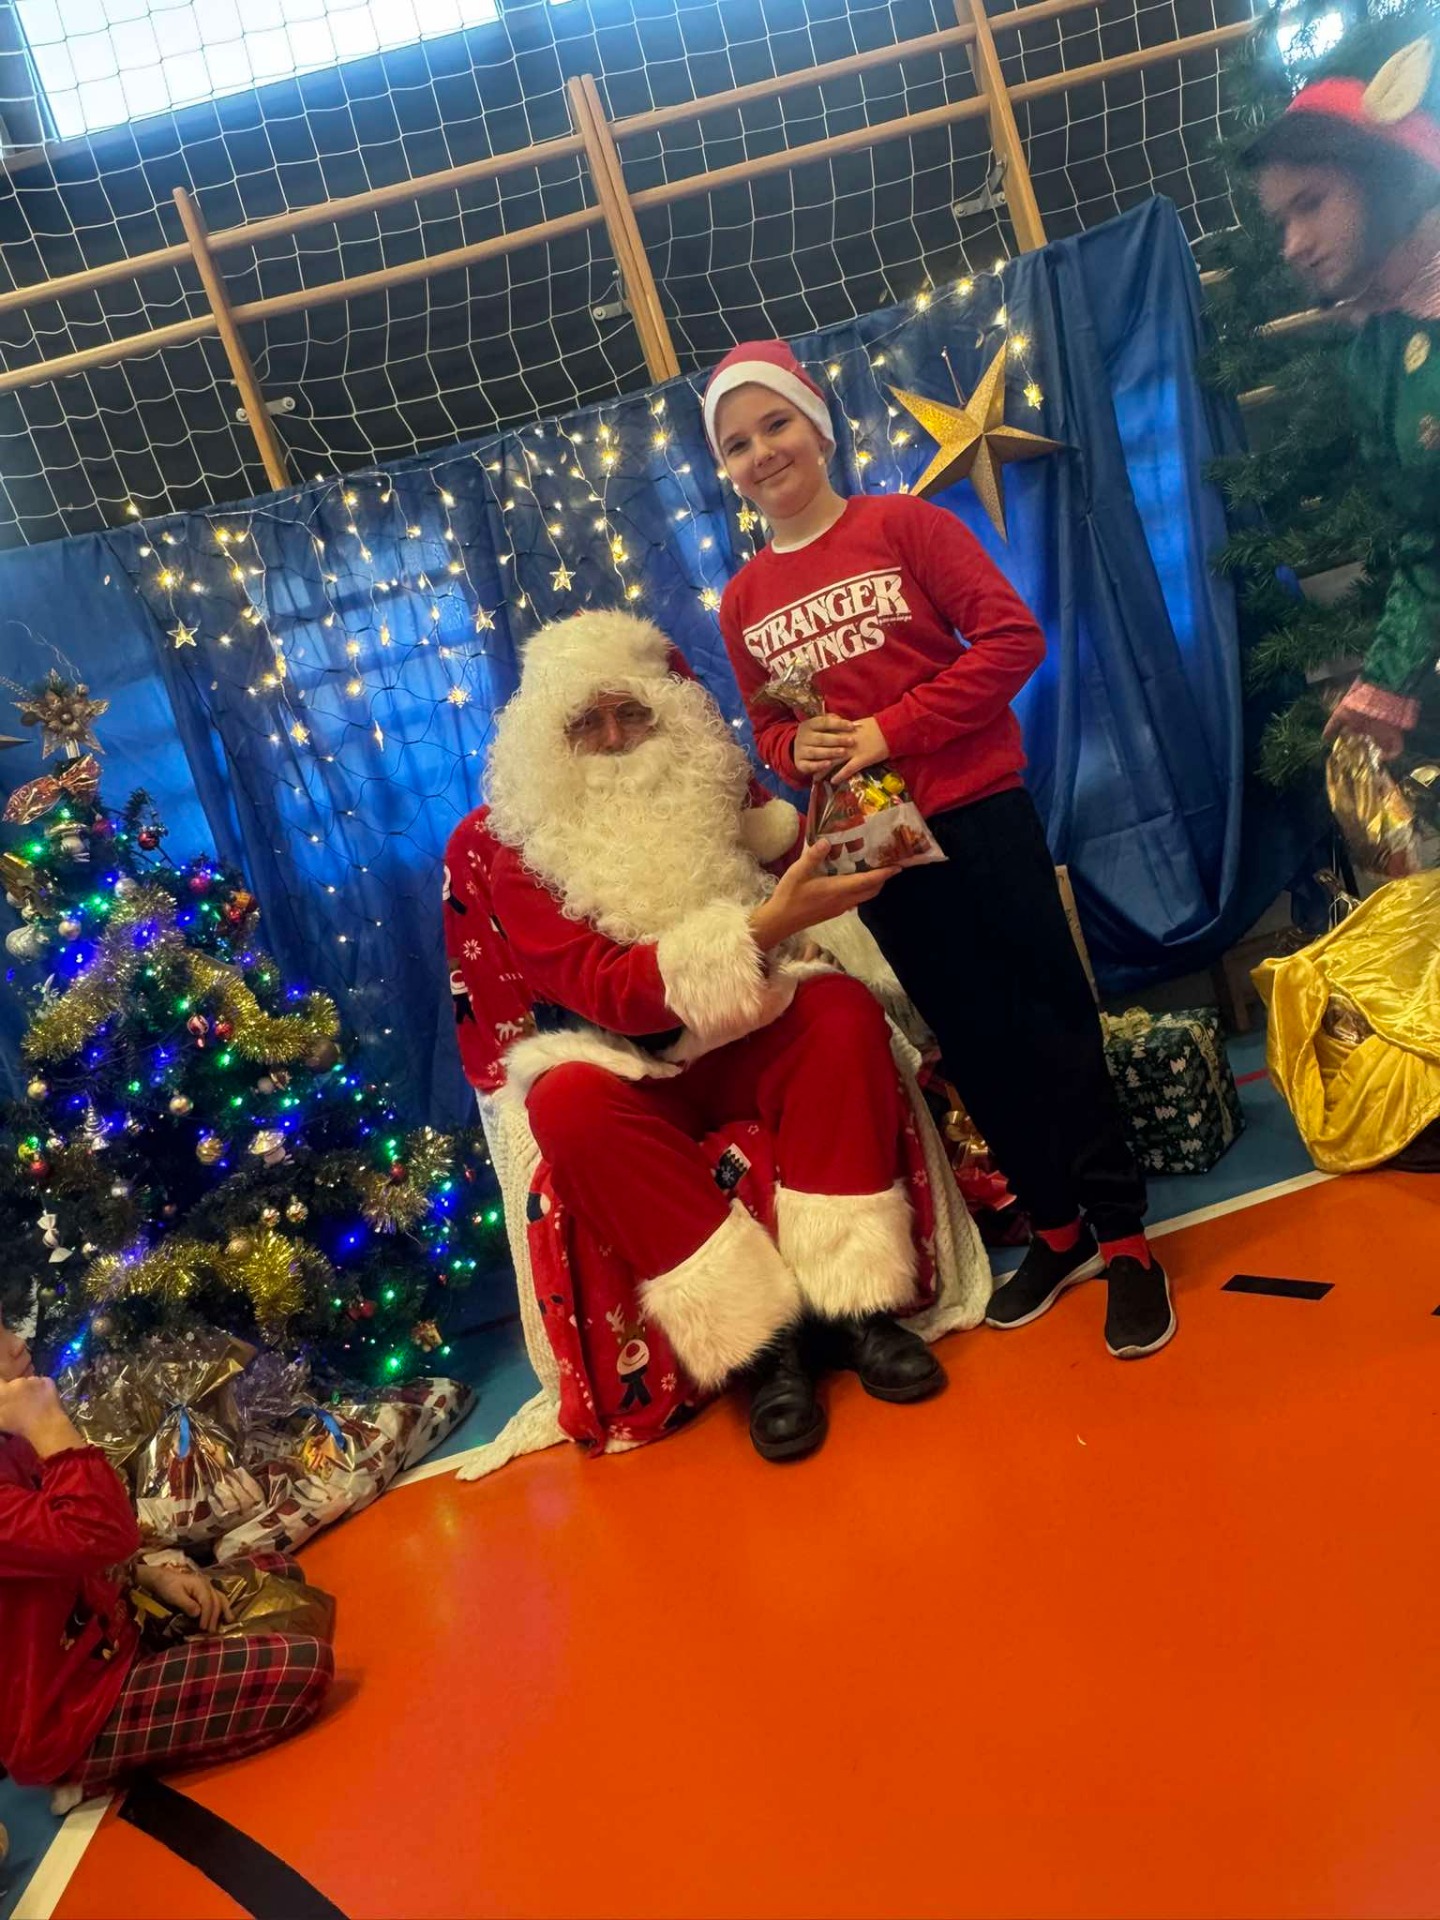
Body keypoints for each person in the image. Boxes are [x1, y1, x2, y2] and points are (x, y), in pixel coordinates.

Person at [705, 339, 1174, 1359]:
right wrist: (799, 750)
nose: (761, 452)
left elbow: (1013, 640)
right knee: (970, 1036)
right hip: (878, 846)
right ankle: (1058, 1231)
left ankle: (1126, 1238)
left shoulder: (904, 525)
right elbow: (773, 731)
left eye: (775, 424)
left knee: (1050, 1020)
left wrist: (891, 729)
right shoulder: (742, 602)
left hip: (977, 810)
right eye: (737, 443)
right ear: (726, 468)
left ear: (817, 427)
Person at [480, 607, 950, 1462]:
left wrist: (848, 825)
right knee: (565, 1104)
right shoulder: (517, 855)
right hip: (632, 1063)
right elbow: (609, 992)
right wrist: (765, 929)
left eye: (633, 713)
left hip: (752, 1028)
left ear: (668, 714)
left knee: (840, 1013)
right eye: (587, 723)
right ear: (551, 742)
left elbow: (796, 855)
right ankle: (763, 1350)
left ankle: (855, 1308)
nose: (615, 740)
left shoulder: (712, 788)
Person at [0, 1306, 334, 1798]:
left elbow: (81, 1548)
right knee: (304, 1670)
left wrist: (148, 1578)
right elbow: (97, 1531)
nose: (18, 1344)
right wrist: (49, 1426)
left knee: (281, 1572)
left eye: (6, 1327)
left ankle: (194, 1662)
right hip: (73, 1715)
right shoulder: (30, 1426)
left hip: (121, 1632)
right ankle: (93, 1775)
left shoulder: (10, 1438)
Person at [1246, 22, 1440, 798]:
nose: (1292, 244)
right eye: (1281, 221)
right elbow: (1426, 543)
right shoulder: (1377, 353)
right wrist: (1384, 686)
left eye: (1312, 204)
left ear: (1384, 172)